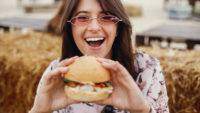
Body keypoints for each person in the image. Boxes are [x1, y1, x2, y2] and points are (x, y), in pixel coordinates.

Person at [30, 0, 169, 113]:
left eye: (107, 17)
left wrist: (143, 110)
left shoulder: (147, 69)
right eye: (82, 18)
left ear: (118, 28)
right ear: (70, 29)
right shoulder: (56, 72)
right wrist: (38, 111)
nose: (94, 27)